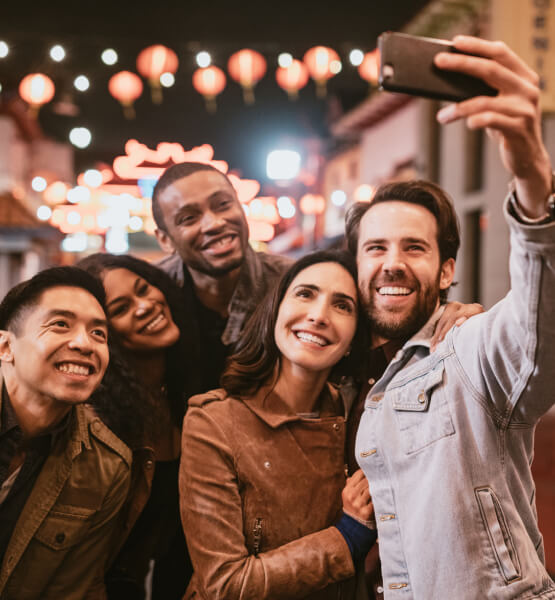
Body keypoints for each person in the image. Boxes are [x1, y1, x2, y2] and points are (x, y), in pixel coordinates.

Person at [348, 36, 555, 598]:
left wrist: (534, 181)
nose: (392, 265)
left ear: (446, 272)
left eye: (414, 249)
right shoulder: (350, 374)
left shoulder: (468, 348)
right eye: (375, 249)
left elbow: (538, 327)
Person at [180, 250, 378, 600]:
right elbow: (225, 585)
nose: (318, 316)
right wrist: (346, 537)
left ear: (353, 340)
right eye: (305, 294)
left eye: (342, 306)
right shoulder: (214, 422)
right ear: (276, 310)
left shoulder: (362, 415)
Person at [0, 267, 131, 599]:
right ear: (5, 347)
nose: (84, 344)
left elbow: (75, 590)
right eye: (60, 324)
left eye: (99, 334)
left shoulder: (106, 466)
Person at [77, 253, 193, 599]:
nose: (145, 306)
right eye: (122, 308)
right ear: (103, 333)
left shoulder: (187, 391)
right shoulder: (94, 420)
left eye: (145, 289)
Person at [151, 162, 292, 393]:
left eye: (223, 205)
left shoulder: (292, 283)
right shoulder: (149, 292)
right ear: (165, 239)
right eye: (188, 218)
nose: (214, 224)